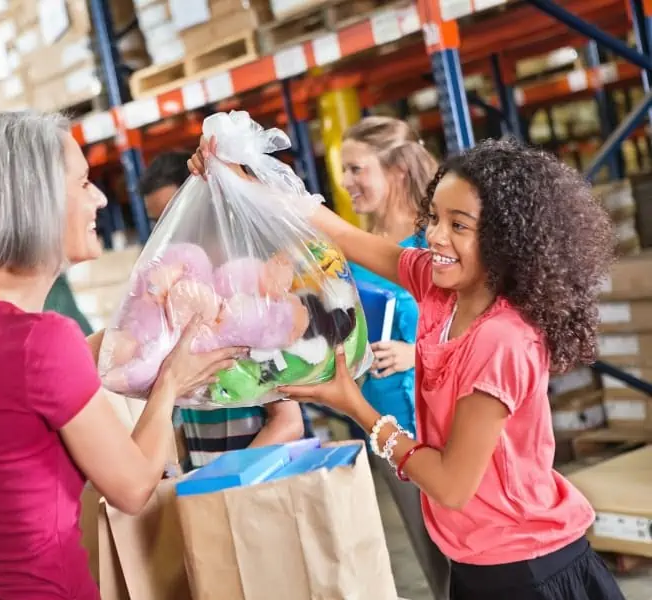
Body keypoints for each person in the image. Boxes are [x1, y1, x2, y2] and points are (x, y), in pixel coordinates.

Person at [189, 138, 624, 600]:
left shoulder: (501, 340)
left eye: (459, 225)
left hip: (527, 570)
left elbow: (451, 486)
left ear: (506, 240)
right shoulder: (442, 290)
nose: (435, 236)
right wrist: (243, 183)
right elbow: (342, 234)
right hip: (480, 562)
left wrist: (355, 406)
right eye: (434, 218)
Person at [0, 111, 244, 599]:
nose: (100, 197)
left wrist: (142, 321)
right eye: (83, 183)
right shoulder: (42, 340)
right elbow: (131, 486)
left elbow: (13, 396)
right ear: (35, 203)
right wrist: (170, 384)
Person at [341, 117, 450, 599]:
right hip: (388, 429)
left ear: (398, 173)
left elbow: (484, 333)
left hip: (442, 430)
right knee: (434, 565)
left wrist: (415, 353)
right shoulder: (357, 252)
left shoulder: (436, 243)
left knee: (470, 559)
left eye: (355, 169)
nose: (346, 182)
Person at [140, 151, 305, 470]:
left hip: (258, 481)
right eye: (155, 221)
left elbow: (287, 422)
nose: (166, 230)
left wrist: (224, 480)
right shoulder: (178, 301)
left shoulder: (250, 293)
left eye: (173, 215)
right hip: (209, 484)